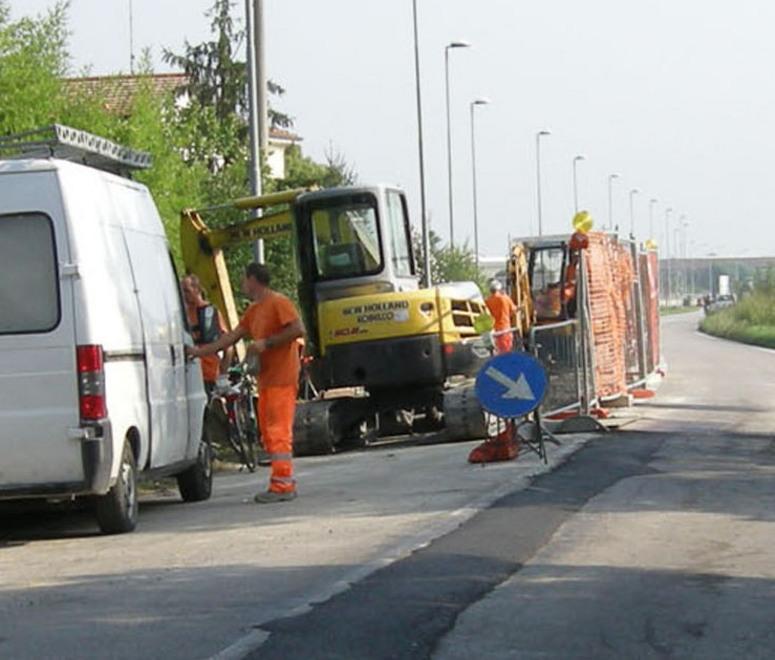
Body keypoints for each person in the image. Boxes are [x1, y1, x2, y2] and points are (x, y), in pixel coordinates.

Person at [186, 263, 305, 504]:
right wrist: (199, 352)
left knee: (278, 432)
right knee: (270, 434)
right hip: (267, 380)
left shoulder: (278, 302)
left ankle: (283, 485)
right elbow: (230, 337)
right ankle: (281, 482)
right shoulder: (254, 310)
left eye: (244, 279)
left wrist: (266, 344)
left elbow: (297, 329)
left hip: (282, 378)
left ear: (253, 280)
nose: (242, 285)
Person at [181, 274, 232, 395]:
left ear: (197, 289)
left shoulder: (210, 313)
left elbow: (228, 346)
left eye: (186, 291)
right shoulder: (181, 314)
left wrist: (223, 374)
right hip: (187, 375)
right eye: (181, 291)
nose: (184, 295)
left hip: (208, 375)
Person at [484, 279, 517, 354]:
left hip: (494, 331)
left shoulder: (487, 301)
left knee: (498, 353)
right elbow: (513, 310)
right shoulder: (505, 298)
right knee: (506, 353)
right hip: (505, 330)